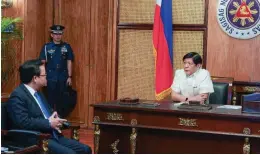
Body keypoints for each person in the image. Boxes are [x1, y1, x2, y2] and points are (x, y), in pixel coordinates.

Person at [7, 59, 92, 154]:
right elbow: (23, 122)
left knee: (86, 150)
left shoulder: (39, 93)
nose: (47, 77)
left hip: (53, 135)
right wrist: (48, 123)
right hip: (37, 138)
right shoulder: (18, 95)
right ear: (35, 78)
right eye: (45, 75)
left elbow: (47, 115)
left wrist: (57, 119)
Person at [39, 25, 74, 114]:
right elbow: (42, 63)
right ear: (52, 35)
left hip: (63, 77)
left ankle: (60, 122)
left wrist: (70, 76)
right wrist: (43, 78)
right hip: (50, 78)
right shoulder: (47, 47)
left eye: (60, 34)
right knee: (49, 101)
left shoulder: (67, 46)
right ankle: (50, 122)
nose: (58, 36)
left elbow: (69, 62)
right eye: (56, 34)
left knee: (62, 101)